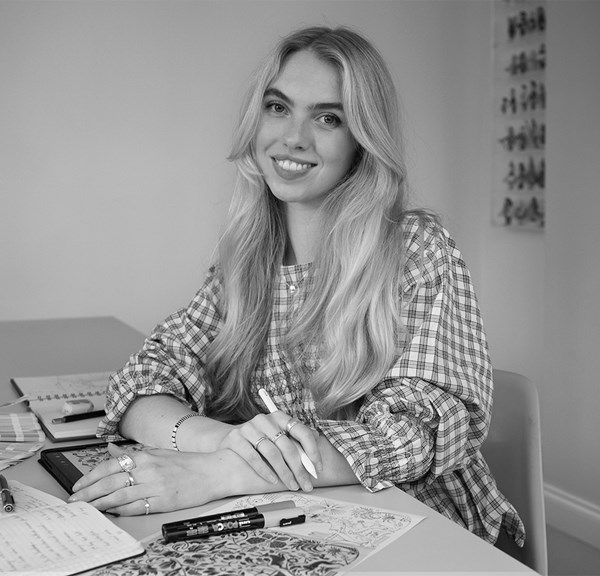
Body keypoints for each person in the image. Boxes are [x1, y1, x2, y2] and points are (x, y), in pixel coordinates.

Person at [69, 25, 525, 547]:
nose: (293, 138)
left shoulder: (415, 247)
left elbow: (418, 432)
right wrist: (221, 442)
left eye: (328, 118)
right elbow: (147, 374)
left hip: (430, 531)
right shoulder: (246, 258)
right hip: (307, 516)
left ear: (362, 140)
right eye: (278, 108)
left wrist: (226, 473)